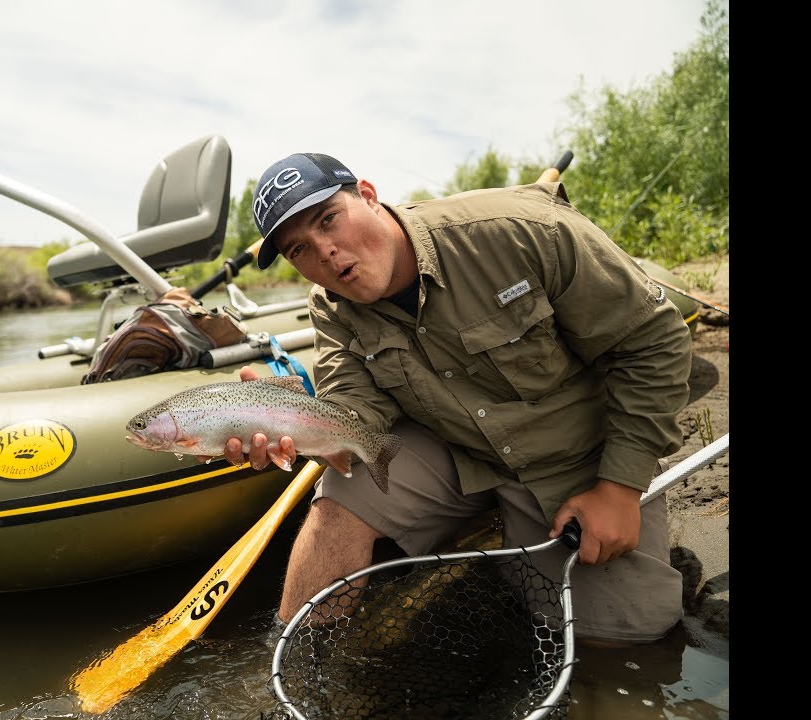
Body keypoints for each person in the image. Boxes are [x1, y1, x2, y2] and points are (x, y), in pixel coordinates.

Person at [216, 152, 692, 646]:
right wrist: (285, 421)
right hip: (454, 448)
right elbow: (355, 405)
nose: (327, 254)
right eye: (300, 250)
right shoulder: (330, 306)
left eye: (329, 220)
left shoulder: (518, 229)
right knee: (339, 497)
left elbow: (654, 341)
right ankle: (297, 652)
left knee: (624, 638)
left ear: (369, 195)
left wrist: (619, 488)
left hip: (575, 451)